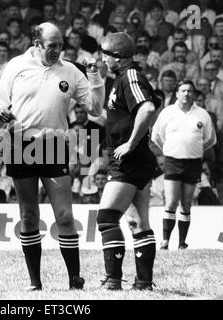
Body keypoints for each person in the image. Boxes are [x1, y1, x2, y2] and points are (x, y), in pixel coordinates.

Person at [0, 22, 104, 291]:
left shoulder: (70, 71)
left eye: (61, 45)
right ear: (37, 44)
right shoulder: (16, 65)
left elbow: (96, 109)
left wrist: (95, 77)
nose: (57, 50)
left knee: (64, 215)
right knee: (28, 215)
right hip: (19, 143)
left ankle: (75, 279)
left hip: (53, 144)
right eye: (52, 46)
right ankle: (34, 282)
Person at [98, 32, 161, 291]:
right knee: (137, 223)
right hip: (133, 159)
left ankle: (113, 280)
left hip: (129, 160)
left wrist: (131, 143)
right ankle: (143, 283)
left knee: (106, 218)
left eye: (106, 54)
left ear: (119, 58)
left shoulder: (131, 76)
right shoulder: (119, 79)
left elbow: (147, 108)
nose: (103, 58)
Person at [151, 80, 216, 250]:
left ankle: (182, 243)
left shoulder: (202, 114)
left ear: (193, 94)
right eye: (183, 90)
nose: (186, 94)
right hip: (172, 161)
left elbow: (211, 139)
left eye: (189, 91)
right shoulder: (167, 112)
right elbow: (156, 136)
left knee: (186, 204)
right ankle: (165, 241)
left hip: (193, 163)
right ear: (177, 93)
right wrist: (169, 148)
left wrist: (197, 150)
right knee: (171, 202)